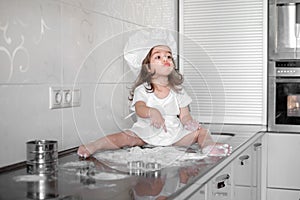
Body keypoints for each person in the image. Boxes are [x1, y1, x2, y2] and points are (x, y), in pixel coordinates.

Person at [77, 45, 230, 158]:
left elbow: (184, 116)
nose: (165, 59)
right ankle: (94, 145)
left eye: (169, 56)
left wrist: (189, 123)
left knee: (202, 131)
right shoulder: (143, 90)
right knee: (124, 137)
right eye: (158, 56)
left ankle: (209, 147)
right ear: (148, 68)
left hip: (174, 135)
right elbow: (139, 108)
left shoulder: (179, 91)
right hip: (147, 132)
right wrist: (152, 111)